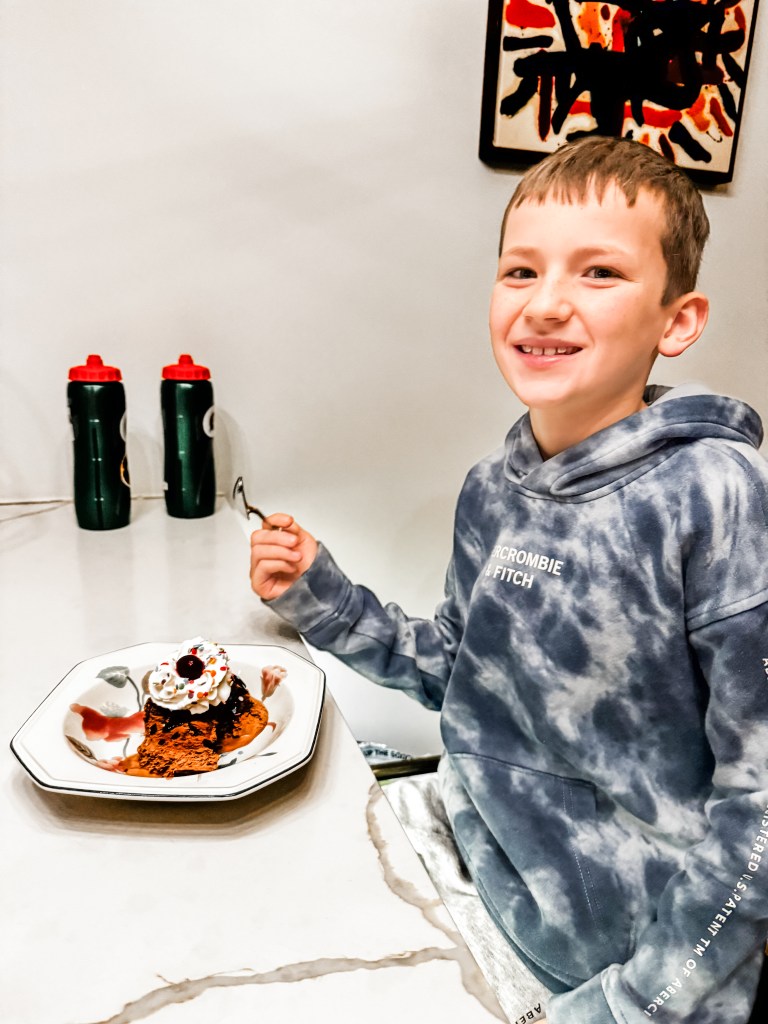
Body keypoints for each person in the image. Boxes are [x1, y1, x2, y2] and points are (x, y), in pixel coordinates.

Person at [249, 136, 768, 1023]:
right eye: (521, 271)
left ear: (676, 321)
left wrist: (636, 1003)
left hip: (630, 970)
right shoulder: (492, 489)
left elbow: (757, 810)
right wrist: (322, 597)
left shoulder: (718, 496)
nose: (546, 303)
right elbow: (464, 674)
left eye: (599, 273)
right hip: (477, 876)